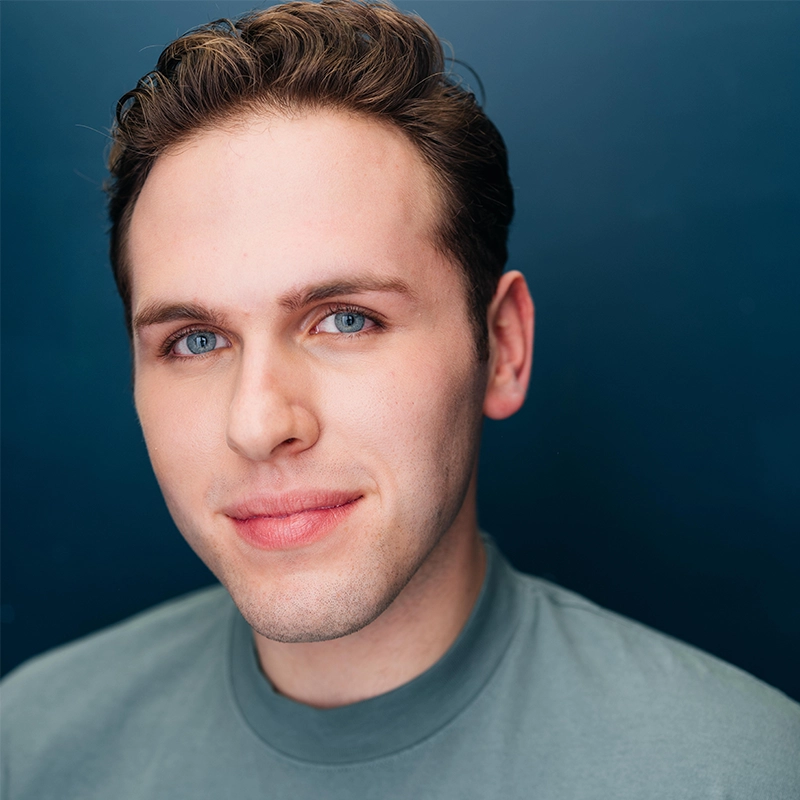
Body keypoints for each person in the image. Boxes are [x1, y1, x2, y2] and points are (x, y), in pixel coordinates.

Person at [2, 1, 798, 797]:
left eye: (346, 320)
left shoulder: (745, 772)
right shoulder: (28, 747)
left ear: (504, 351)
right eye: (196, 340)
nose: (257, 424)